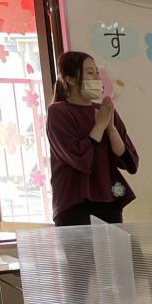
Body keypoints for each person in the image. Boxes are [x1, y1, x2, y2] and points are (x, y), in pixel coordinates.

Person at [46, 51, 138, 227]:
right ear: (71, 79)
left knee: (119, 245)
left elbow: (128, 160)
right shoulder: (58, 112)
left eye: (97, 72)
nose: (97, 78)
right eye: (90, 72)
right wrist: (99, 126)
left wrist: (111, 129)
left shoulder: (105, 110)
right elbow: (80, 159)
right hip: (74, 202)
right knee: (82, 247)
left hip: (109, 198)